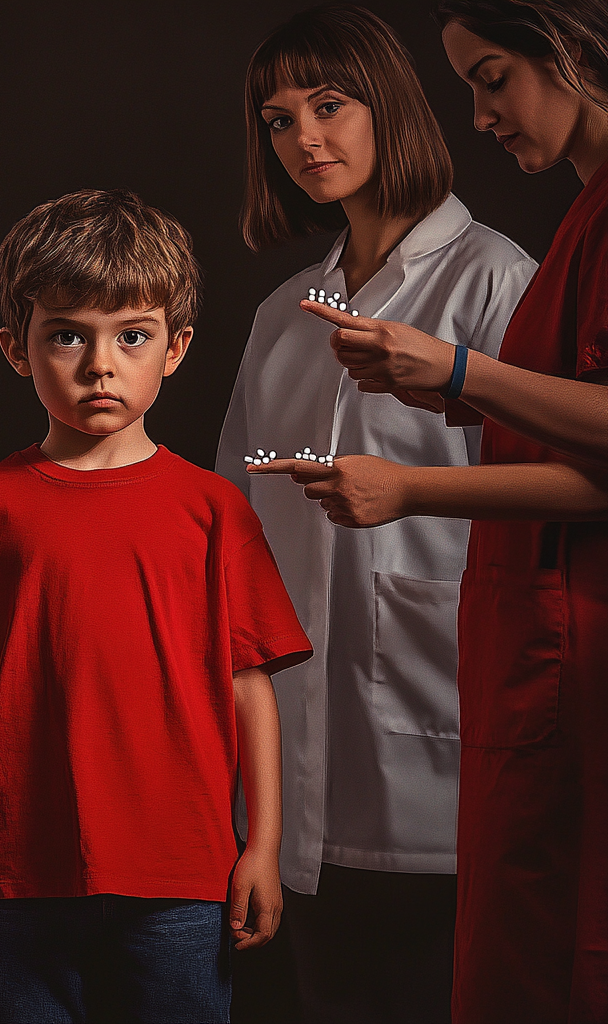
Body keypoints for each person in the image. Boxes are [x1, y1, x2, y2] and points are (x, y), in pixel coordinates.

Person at [0, 189, 312, 1024]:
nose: (99, 364)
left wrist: (262, 844)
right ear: (17, 347)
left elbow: (249, 683)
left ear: (175, 348)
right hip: (18, 874)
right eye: (67, 334)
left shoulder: (213, 510)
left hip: (184, 875)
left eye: (131, 335)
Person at [253, 2, 608, 1020]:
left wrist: (444, 403)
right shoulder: (286, 312)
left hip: (486, 697)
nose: (306, 138)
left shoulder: (501, 272)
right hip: (327, 741)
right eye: (278, 120)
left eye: (494, 77)